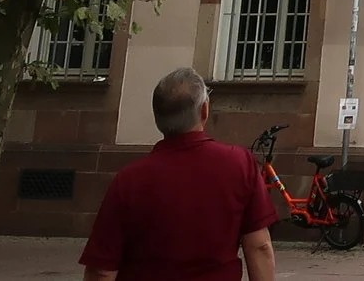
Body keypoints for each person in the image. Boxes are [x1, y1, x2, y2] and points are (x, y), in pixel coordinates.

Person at [81, 68, 278, 281]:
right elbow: (259, 246)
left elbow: (102, 270)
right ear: (204, 110)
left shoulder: (129, 180)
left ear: (157, 117)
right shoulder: (239, 164)